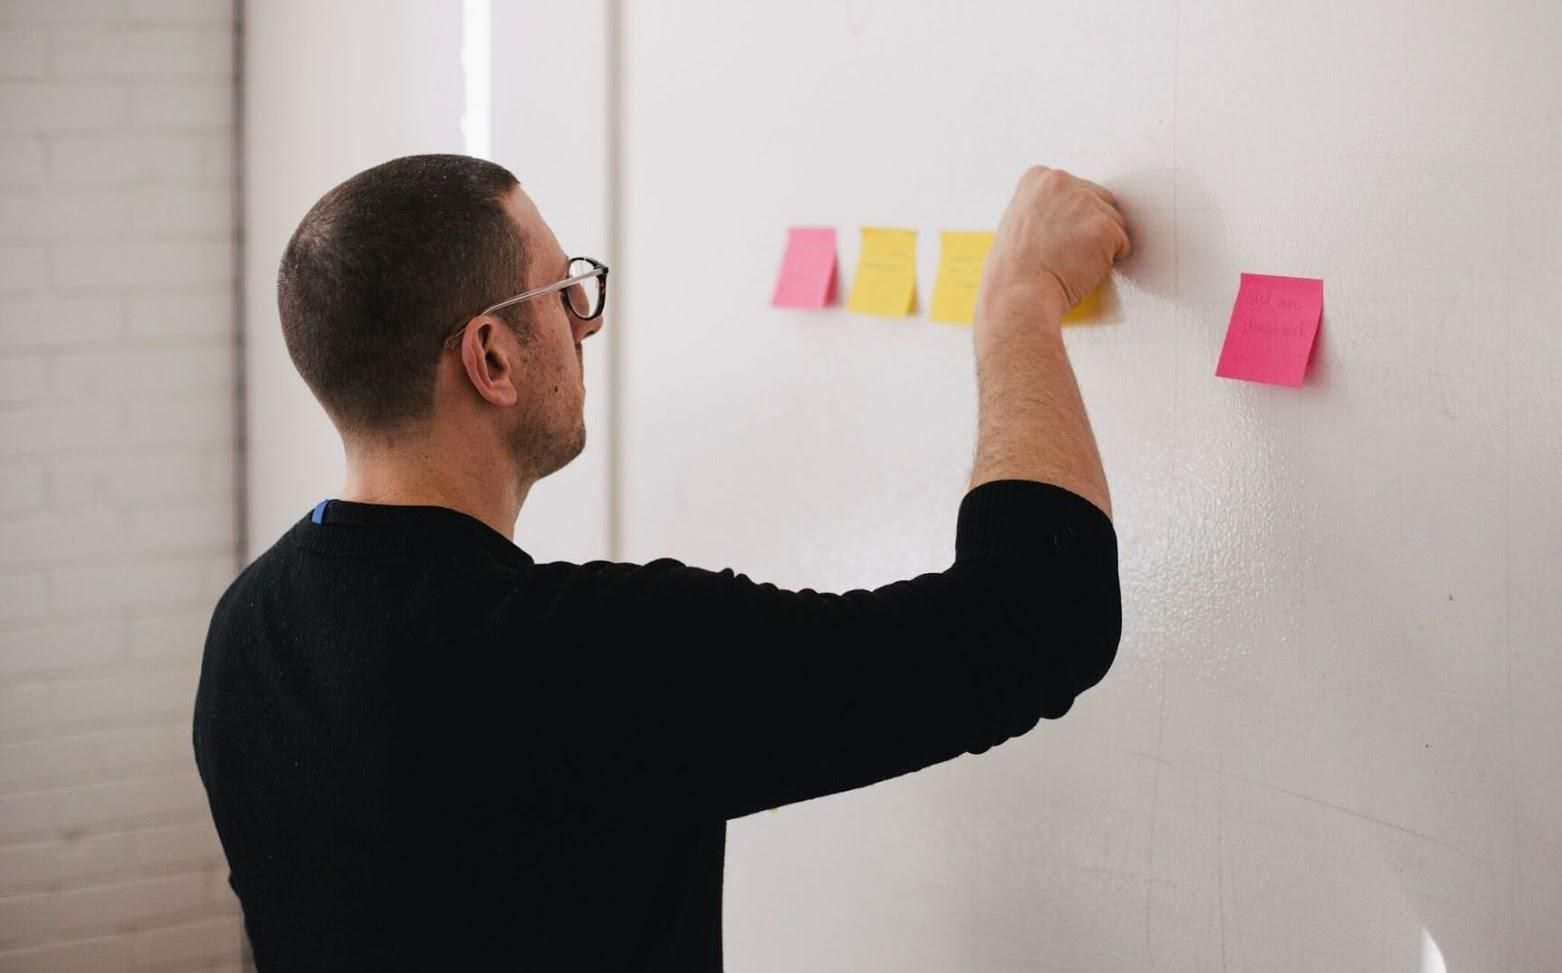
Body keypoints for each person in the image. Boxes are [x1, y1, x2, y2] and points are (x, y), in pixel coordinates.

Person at [193, 153, 1131, 970]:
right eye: (563, 293)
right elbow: (1036, 621)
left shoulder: (246, 632)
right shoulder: (586, 660)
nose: (584, 324)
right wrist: (1018, 304)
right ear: (491, 356)